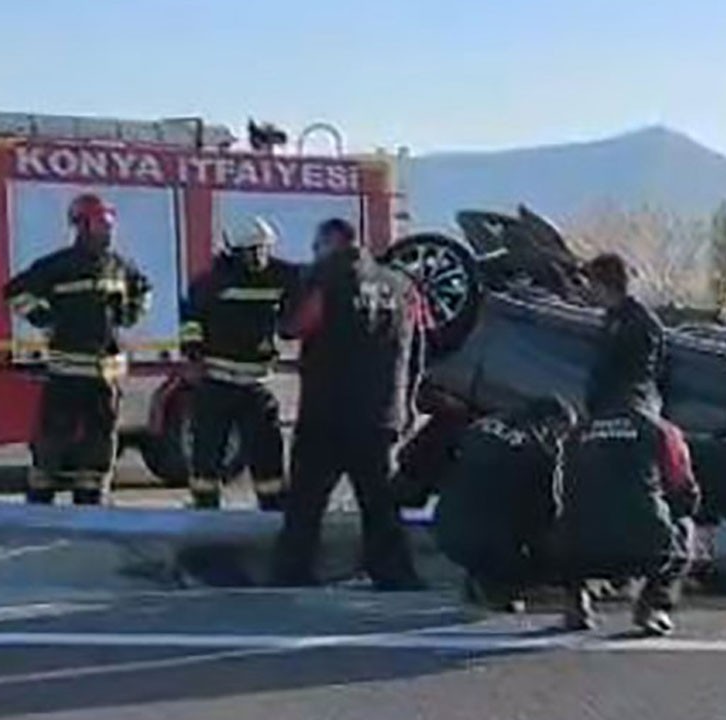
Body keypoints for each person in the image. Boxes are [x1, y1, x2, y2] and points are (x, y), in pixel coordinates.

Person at [273, 217, 429, 590]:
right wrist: (406, 404)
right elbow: (421, 345)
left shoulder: (326, 280)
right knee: (379, 503)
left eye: (316, 248)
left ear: (329, 245)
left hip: (327, 411)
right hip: (381, 414)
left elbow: (294, 326)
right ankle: (393, 574)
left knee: (306, 502)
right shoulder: (402, 285)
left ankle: (293, 571)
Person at [4, 193, 151, 505]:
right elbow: (15, 291)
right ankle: (41, 496)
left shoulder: (119, 265)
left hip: (105, 372)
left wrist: (131, 312)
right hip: (67, 371)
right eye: (101, 225)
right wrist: (43, 318)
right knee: (54, 437)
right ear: (81, 227)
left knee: (101, 438)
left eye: (109, 224)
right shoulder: (58, 265)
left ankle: (91, 496)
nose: (107, 231)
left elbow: (143, 288)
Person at [180, 216, 299, 510]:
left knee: (268, 457)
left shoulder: (282, 276)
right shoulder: (210, 284)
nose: (259, 257)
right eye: (252, 251)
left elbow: (302, 299)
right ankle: (205, 510)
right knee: (207, 456)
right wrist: (193, 357)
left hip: (257, 385)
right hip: (216, 383)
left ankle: (272, 512)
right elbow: (191, 323)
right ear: (234, 252)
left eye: (263, 249)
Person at [556, 404, 701, 636]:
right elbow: (684, 488)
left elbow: (561, 486)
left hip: (580, 550)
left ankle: (576, 599)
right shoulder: (662, 430)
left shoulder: (577, 432)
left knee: (570, 522)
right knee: (685, 528)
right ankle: (653, 606)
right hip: (645, 548)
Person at [434, 396, 578, 612]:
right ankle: (500, 587)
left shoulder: (476, 428)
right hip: (489, 541)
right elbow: (549, 513)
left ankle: (482, 575)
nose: (563, 439)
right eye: (563, 432)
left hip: (445, 529)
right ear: (550, 422)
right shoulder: (539, 451)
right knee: (549, 552)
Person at [582, 253, 666, 416]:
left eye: (593, 284)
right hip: (614, 406)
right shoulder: (614, 317)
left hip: (629, 408)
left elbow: (638, 373)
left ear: (605, 285)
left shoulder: (637, 322)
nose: (590, 290)